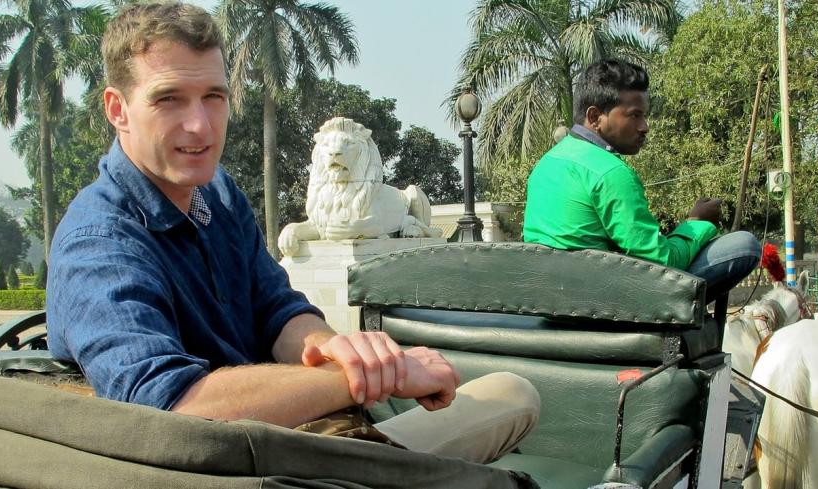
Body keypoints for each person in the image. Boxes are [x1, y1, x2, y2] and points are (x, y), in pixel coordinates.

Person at [47, 1, 539, 465]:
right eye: (169, 99)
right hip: (242, 468)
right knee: (508, 399)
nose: (200, 125)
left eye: (214, 97)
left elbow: (278, 311)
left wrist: (334, 347)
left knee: (512, 393)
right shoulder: (99, 242)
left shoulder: (216, 195)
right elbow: (170, 412)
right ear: (117, 109)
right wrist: (360, 377)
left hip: (300, 442)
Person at [523, 59, 760, 302]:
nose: (644, 127)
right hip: (603, 301)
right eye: (634, 115)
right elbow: (662, 261)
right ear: (595, 117)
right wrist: (698, 223)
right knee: (744, 245)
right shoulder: (610, 172)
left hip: (551, 297)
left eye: (644, 116)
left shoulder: (547, 163)